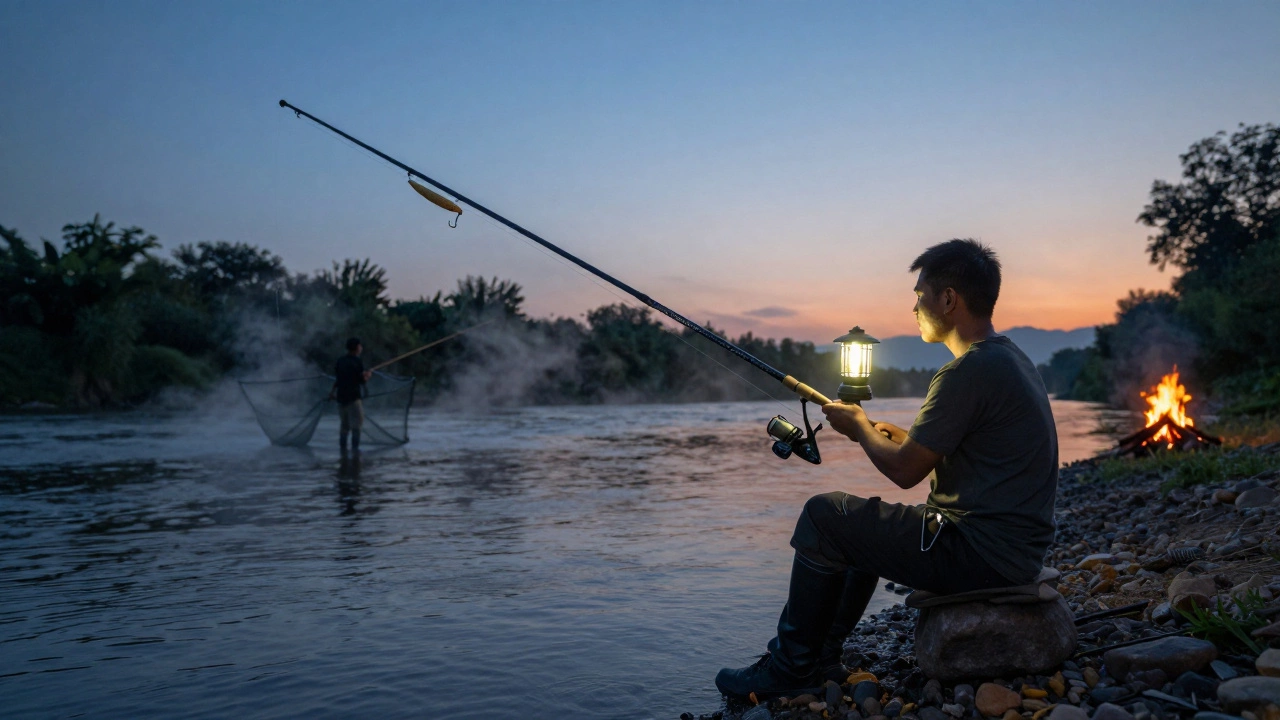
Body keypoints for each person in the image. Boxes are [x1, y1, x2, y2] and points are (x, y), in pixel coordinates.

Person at [715, 239, 1059, 699]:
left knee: (824, 516)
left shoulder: (967, 372)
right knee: (858, 525)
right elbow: (942, 449)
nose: (914, 309)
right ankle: (820, 659)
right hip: (1010, 549)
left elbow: (905, 472)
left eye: (920, 296)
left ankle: (791, 669)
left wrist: (860, 428)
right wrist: (890, 433)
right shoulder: (1009, 357)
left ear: (949, 299)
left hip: (979, 553)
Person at [330, 337, 372, 455]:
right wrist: (368, 375)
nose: (361, 348)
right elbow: (362, 380)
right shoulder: (357, 361)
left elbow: (338, 380)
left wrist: (332, 393)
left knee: (344, 427)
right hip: (353, 399)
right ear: (357, 348)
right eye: (360, 346)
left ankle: (343, 452)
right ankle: (355, 452)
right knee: (356, 427)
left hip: (341, 398)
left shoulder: (340, 361)